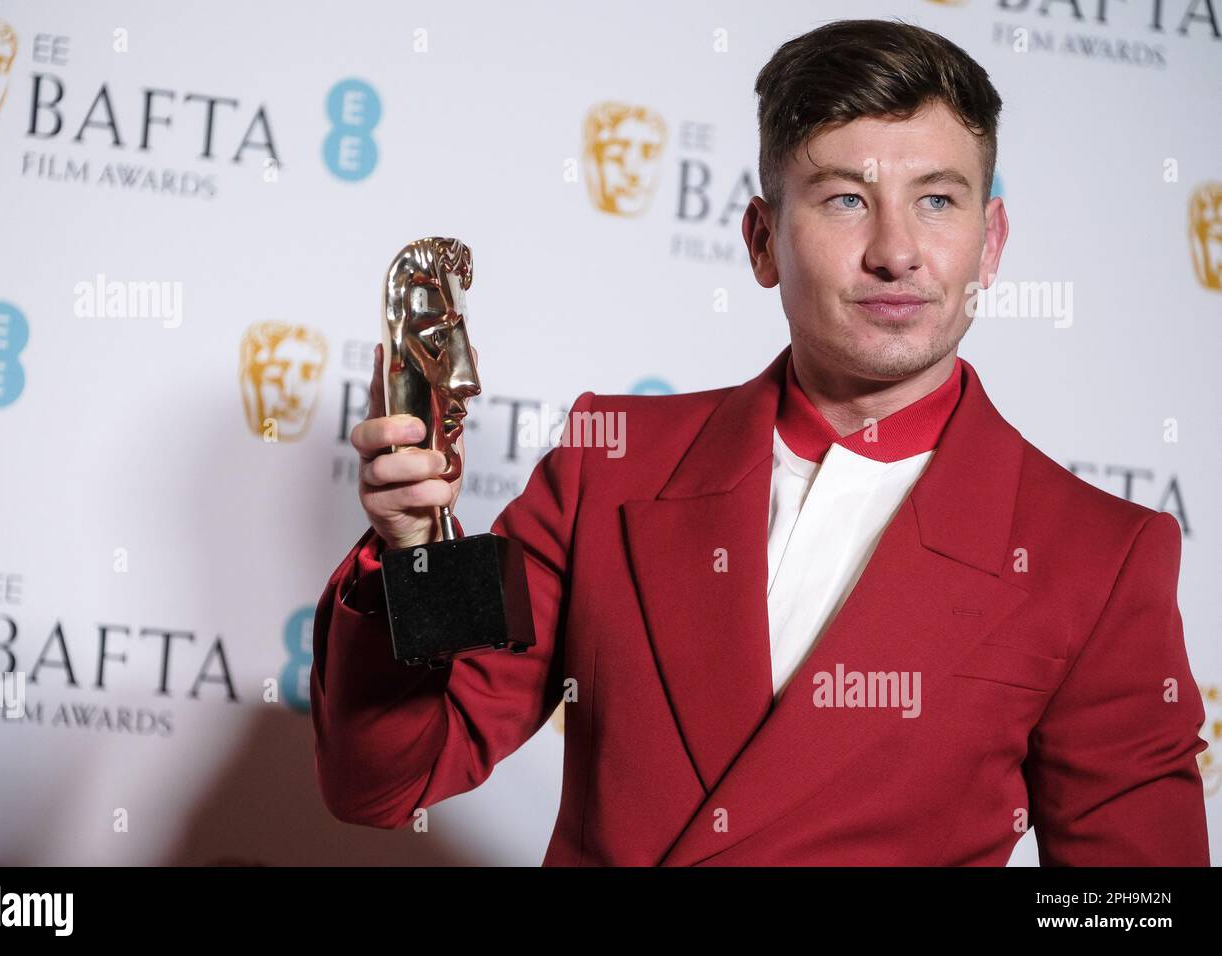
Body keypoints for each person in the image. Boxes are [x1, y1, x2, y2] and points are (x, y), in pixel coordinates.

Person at [309, 18, 1210, 866]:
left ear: (991, 242)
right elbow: (392, 781)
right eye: (846, 198)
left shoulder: (1098, 557)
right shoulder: (608, 462)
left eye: (937, 198)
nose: (896, 251)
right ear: (762, 240)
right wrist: (412, 556)